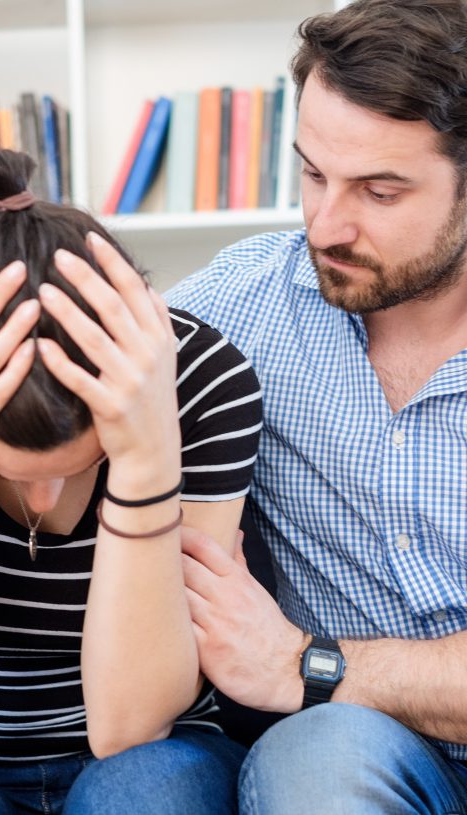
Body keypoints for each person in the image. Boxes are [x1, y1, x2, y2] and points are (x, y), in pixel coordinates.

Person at [0, 147, 263, 814]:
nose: (45, 504)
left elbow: (131, 727)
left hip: (156, 749)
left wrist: (145, 461)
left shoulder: (197, 378)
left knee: (147, 794)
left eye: (82, 463)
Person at [166, 0, 467, 812]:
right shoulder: (243, 305)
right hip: (361, 749)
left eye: (379, 189)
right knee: (317, 754)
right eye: (311, 173)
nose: (325, 224)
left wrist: (309, 661)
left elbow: (304, 671)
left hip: (334, 683)